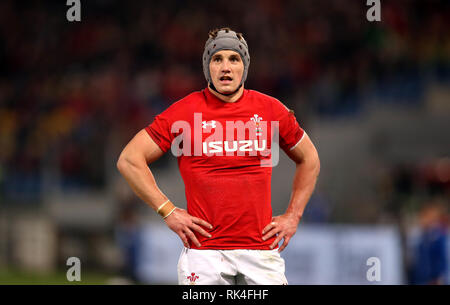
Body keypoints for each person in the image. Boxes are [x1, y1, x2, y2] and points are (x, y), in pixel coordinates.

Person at [117, 27, 320, 285]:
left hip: (260, 253)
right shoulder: (184, 112)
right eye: (217, 59)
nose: (226, 67)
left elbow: (309, 158)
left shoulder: (270, 110)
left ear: (244, 66)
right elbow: (129, 159)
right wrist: (168, 211)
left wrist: (294, 216)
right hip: (203, 255)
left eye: (234, 59)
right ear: (207, 67)